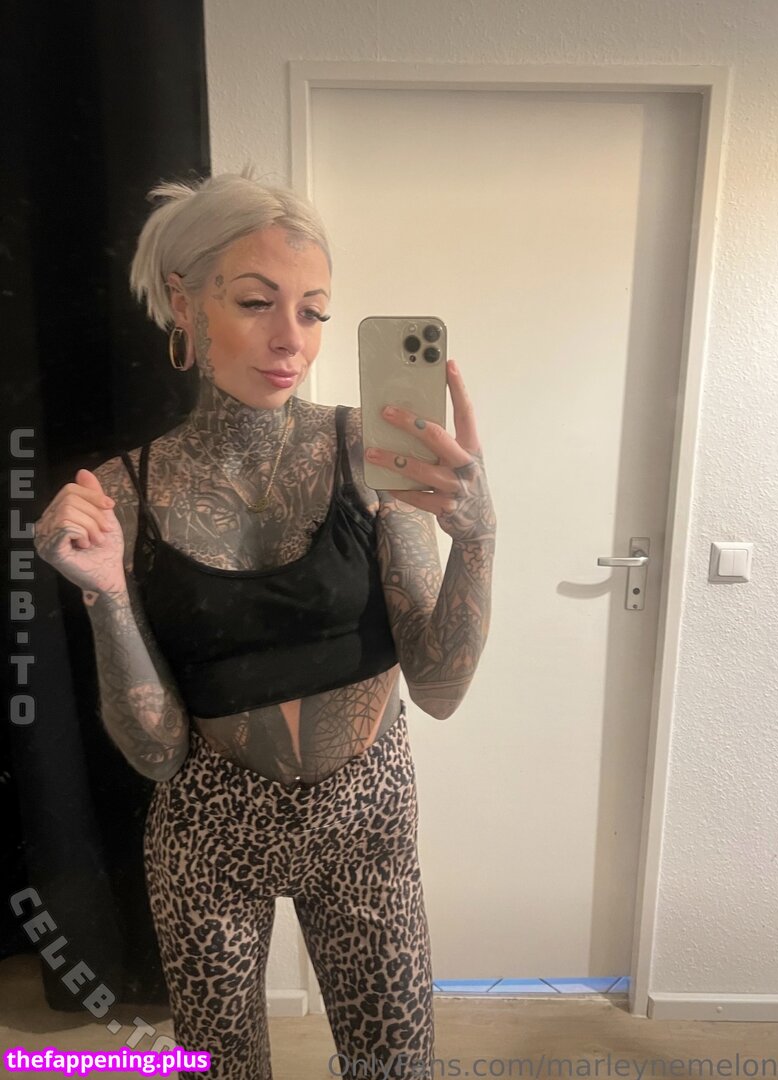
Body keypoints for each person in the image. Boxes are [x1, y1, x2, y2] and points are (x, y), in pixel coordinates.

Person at [33, 171, 496, 1080]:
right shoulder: (124, 492)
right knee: (222, 1069)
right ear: (185, 305)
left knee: (394, 1066)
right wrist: (105, 593)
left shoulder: (371, 452)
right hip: (208, 834)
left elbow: (439, 687)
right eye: (255, 302)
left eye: (314, 312)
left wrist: (477, 537)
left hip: (365, 823)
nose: (292, 340)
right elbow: (156, 752)